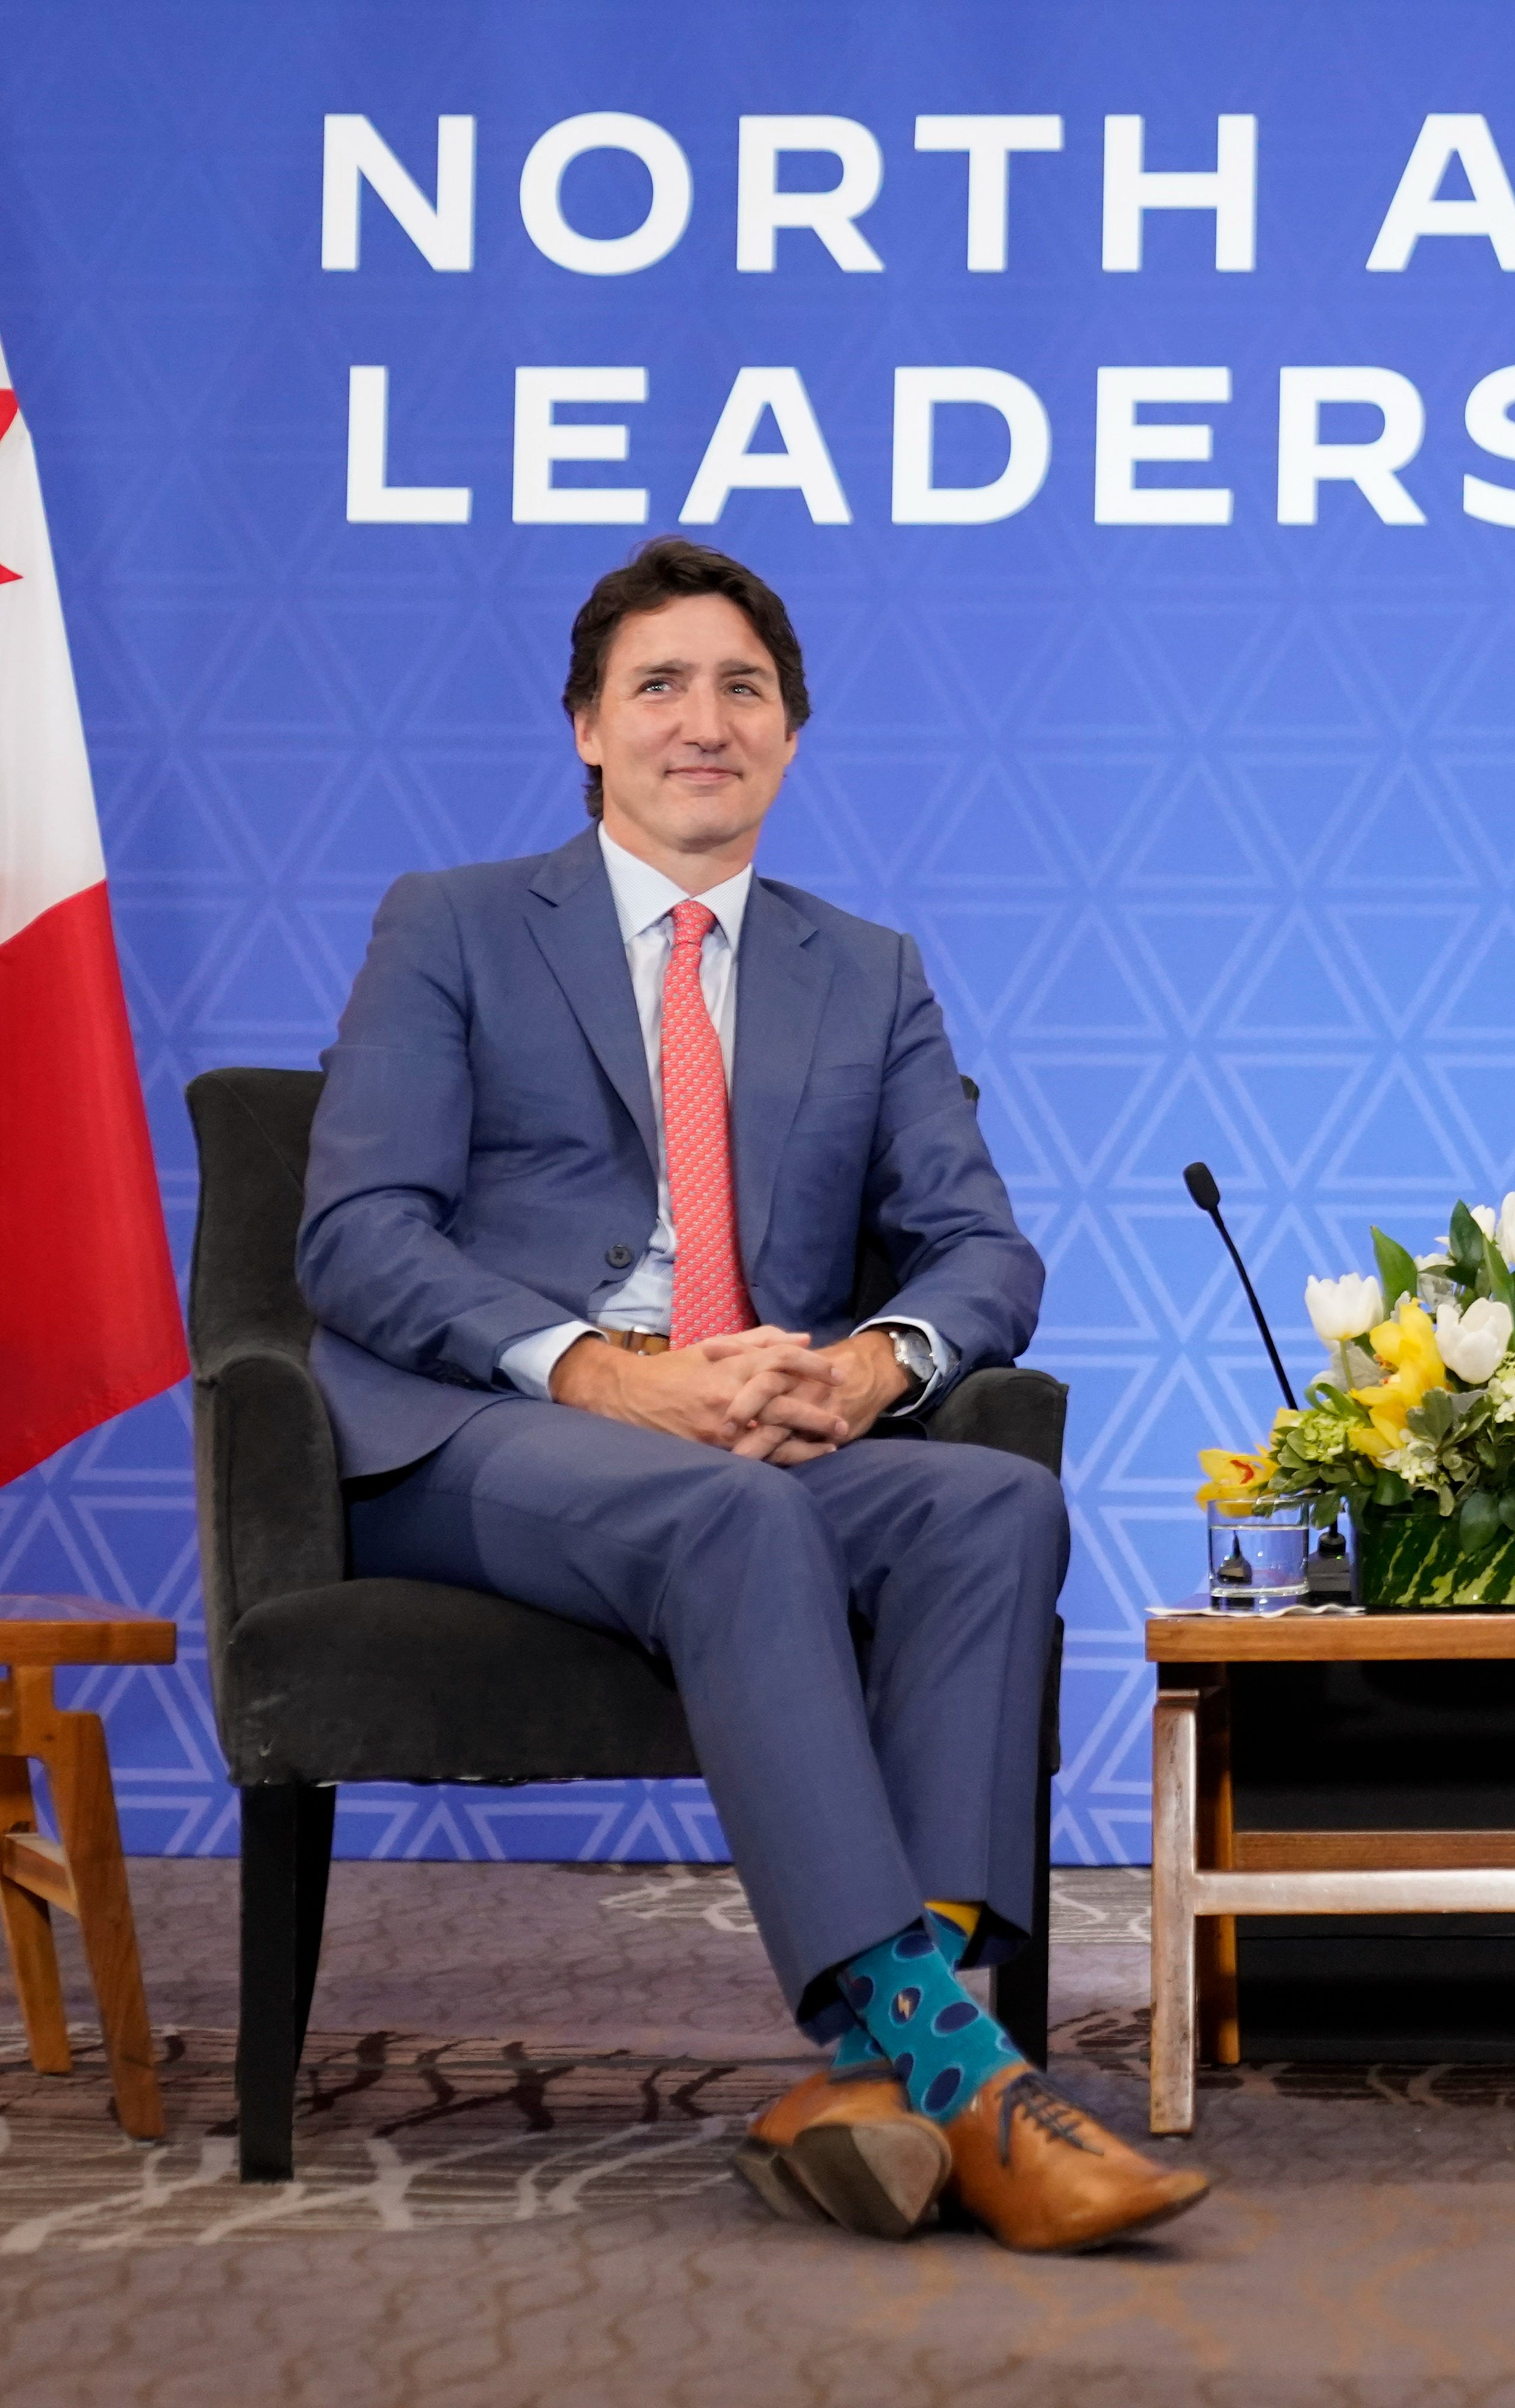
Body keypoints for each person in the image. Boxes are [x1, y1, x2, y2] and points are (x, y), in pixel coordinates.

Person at [299, 536, 1209, 2254]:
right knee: (721, 1501)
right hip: (485, 1443)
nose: (700, 720)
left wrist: (873, 1369)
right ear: (585, 725)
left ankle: (880, 2081)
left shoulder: (861, 971)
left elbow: (981, 1255)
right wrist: (603, 1373)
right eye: (658, 684)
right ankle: (972, 2074)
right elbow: (355, 1237)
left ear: (790, 737)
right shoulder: (458, 925)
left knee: (990, 1500)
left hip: (756, 1443)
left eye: (742, 689)